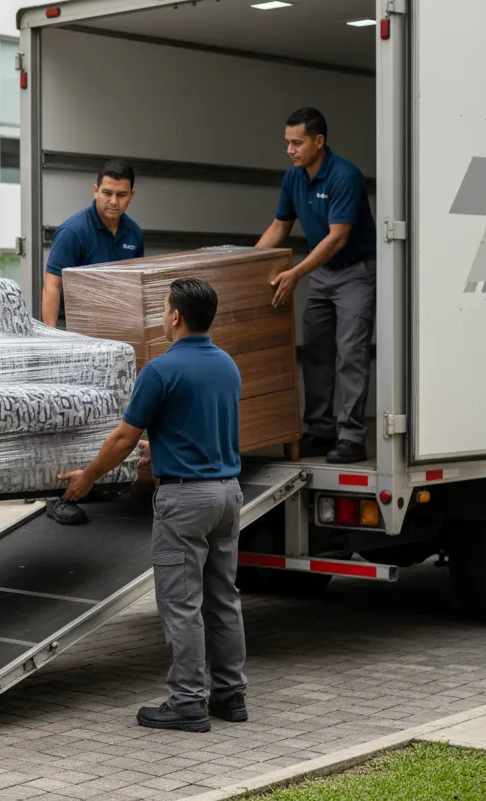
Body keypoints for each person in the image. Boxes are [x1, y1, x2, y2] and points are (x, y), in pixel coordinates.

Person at [58, 278, 248, 733]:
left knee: (181, 604)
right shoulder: (226, 365)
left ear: (176, 316)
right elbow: (197, 423)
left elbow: (124, 437)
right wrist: (160, 449)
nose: (162, 315)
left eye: (164, 308)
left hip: (185, 499)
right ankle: (231, 695)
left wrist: (87, 478)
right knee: (223, 599)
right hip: (227, 492)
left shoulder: (161, 370)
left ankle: (186, 703)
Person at [256, 107, 376, 465]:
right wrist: (243, 264)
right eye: (287, 143)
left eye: (297, 143)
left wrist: (295, 273)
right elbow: (280, 227)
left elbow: (337, 238)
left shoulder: (344, 176)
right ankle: (321, 430)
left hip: (354, 271)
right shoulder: (293, 178)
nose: (290, 150)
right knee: (315, 351)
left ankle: (352, 437)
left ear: (319, 141)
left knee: (350, 353)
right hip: (321, 272)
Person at [42, 159, 145, 526]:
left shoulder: (134, 233)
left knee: (114, 411)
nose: (112, 201)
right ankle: (58, 495)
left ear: (131, 195)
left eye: (120, 195)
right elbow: (52, 286)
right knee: (74, 412)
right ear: (94, 190)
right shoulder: (74, 231)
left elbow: (135, 286)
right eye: (106, 193)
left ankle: (99, 480)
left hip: (115, 341)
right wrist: (52, 340)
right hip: (77, 338)